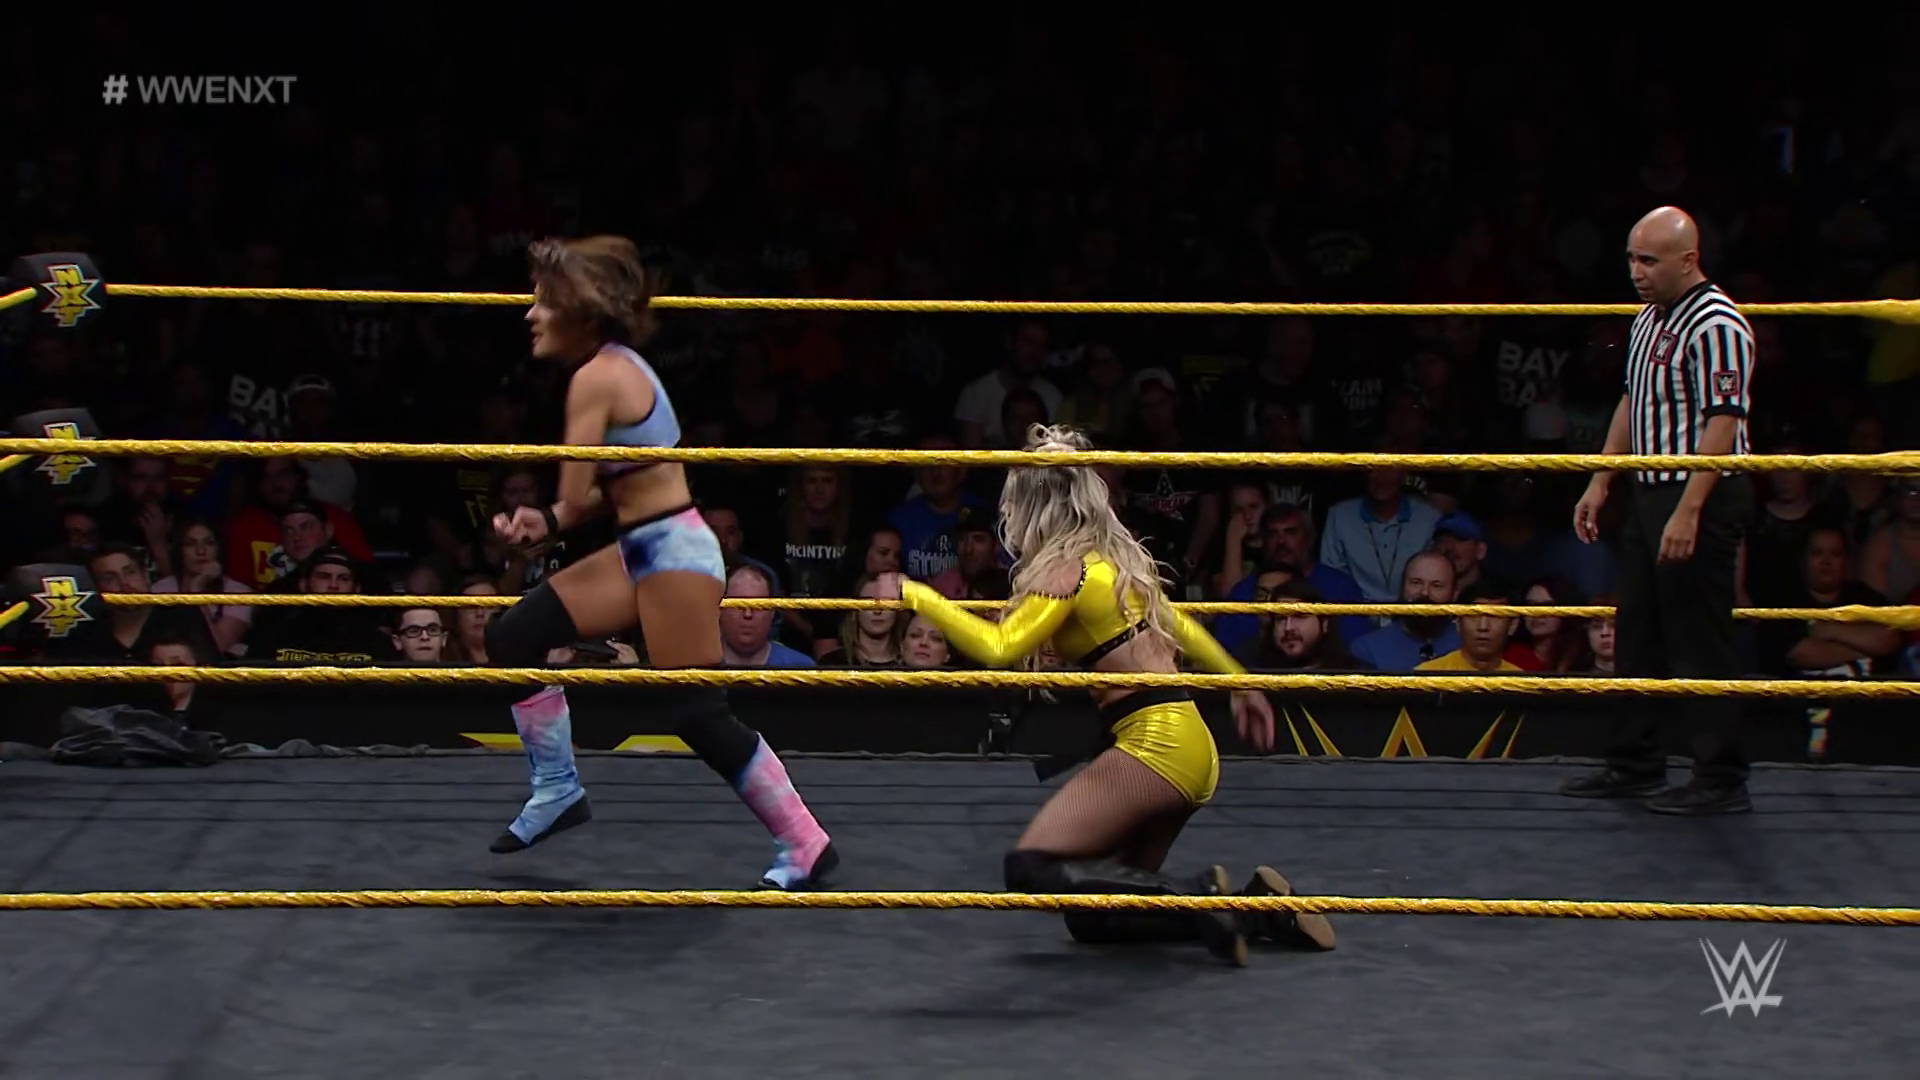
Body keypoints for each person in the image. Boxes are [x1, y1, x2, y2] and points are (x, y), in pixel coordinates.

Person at [877, 424, 1335, 967]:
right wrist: (1239, 682)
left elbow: (999, 648)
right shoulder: (1112, 561)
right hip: (1187, 741)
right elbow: (1178, 624)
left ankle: (1197, 896)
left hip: (1156, 746)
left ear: (1027, 505)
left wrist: (914, 593)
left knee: (1031, 866)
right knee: (1097, 916)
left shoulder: (1066, 569)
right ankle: (1257, 911)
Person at [487, 235, 837, 888]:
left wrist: (546, 517)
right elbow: (613, 488)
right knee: (514, 636)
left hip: (673, 551)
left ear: (580, 311)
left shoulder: (597, 378)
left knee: (699, 714)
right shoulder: (620, 366)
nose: (530, 314)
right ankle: (557, 788)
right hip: (643, 546)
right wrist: (550, 522)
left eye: (543, 302)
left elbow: (574, 493)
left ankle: (805, 840)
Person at [1562, 206, 1757, 815]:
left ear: (1689, 260)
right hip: (1649, 489)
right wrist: (1601, 480)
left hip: (1700, 493)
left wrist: (1690, 509)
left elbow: (1724, 420)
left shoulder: (1718, 323)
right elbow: (1633, 400)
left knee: (1698, 637)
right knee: (1638, 631)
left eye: (1649, 261)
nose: (1636, 272)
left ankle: (1720, 778)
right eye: (1631, 259)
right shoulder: (1647, 319)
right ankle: (1635, 763)